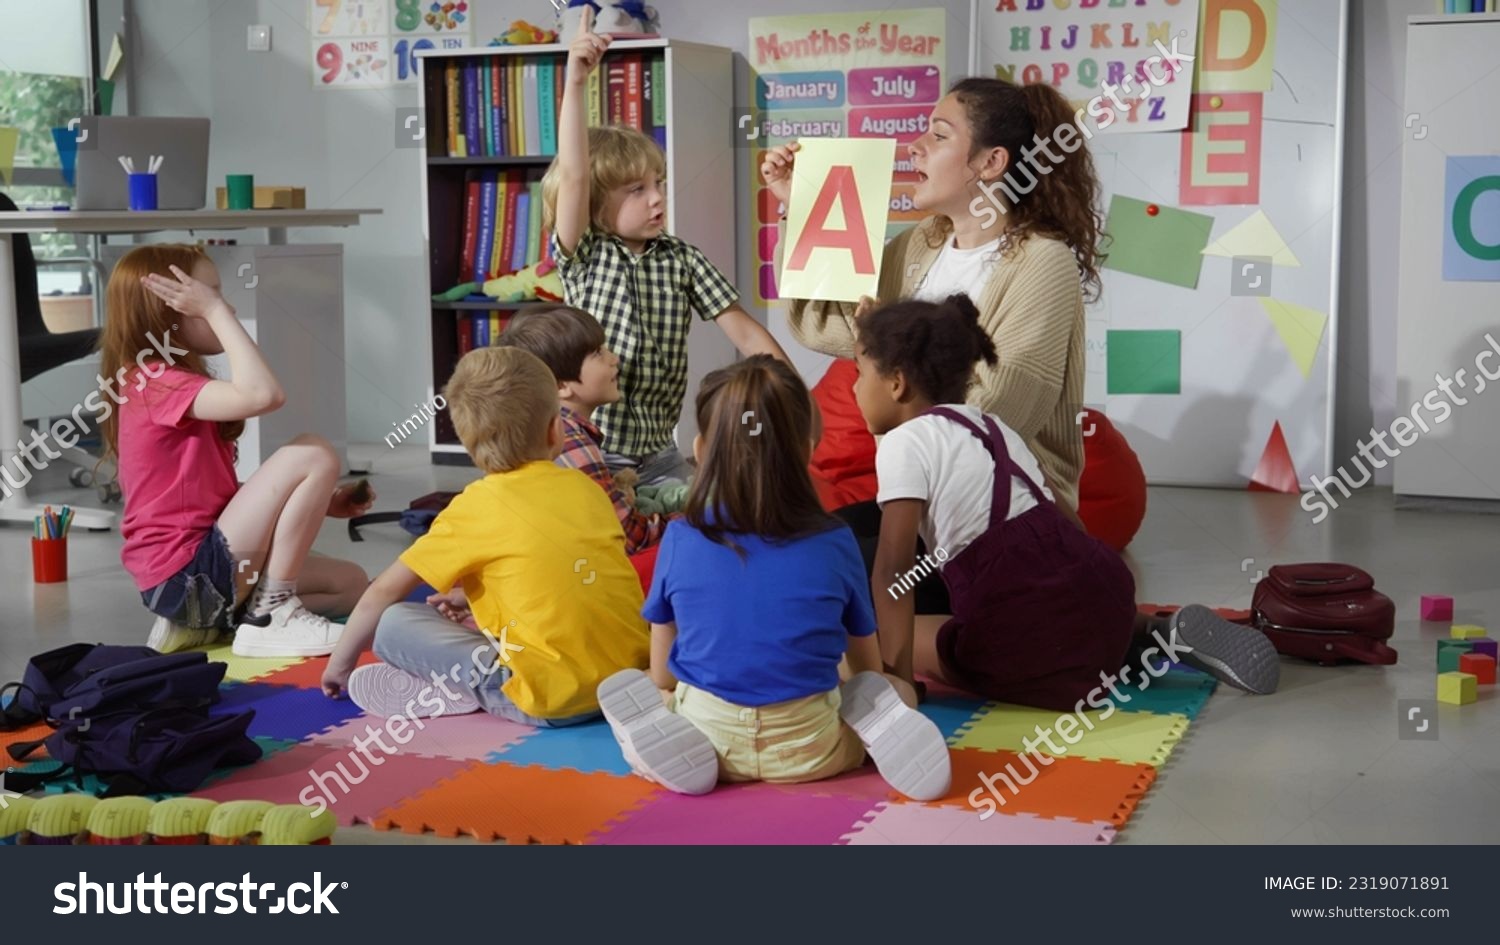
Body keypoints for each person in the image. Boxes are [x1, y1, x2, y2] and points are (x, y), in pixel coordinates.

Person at [853, 295, 1280, 702]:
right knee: (1073, 626)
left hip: (1029, 631)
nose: (855, 389)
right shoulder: (992, 427)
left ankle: (1082, 659)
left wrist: (900, 679)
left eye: (860, 373)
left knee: (895, 632)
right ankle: (1148, 632)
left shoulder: (902, 443)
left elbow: (893, 573)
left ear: (896, 383)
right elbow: (1069, 524)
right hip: (1103, 590)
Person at [597, 356, 951, 800]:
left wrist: (665, 690)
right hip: (812, 749)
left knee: (664, 693)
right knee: (893, 691)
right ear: (806, 451)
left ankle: (659, 735)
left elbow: (664, 669)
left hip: (710, 739)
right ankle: (872, 739)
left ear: (702, 449)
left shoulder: (682, 537)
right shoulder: (835, 540)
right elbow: (866, 669)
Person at [321, 346, 649, 728]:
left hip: (554, 700)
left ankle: (454, 689)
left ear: (468, 443)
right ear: (555, 429)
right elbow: (572, 573)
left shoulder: (473, 507)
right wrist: (475, 597)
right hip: (632, 676)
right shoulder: (586, 487)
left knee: (394, 622)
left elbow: (381, 593)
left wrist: (339, 666)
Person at [544, 7, 791, 485]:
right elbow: (573, 175)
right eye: (636, 189)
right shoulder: (584, 254)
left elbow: (747, 336)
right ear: (597, 204)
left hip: (660, 453)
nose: (658, 197)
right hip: (589, 448)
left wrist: (794, 399)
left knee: (672, 539)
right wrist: (575, 83)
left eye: (658, 183)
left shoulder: (683, 258)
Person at [105, 245, 370, 657]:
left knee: (352, 584)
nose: (223, 305)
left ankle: (224, 625)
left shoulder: (167, 382)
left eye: (219, 296)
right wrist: (218, 314)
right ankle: (270, 616)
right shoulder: (152, 382)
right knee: (314, 452)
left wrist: (316, 501)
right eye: (208, 296)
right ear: (167, 313)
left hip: (204, 573)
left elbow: (208, 495)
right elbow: (265, 394)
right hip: (187, 576)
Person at [497, 306, 667, 553]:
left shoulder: (537, 428)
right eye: (598, 353)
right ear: (561, 385)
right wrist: (689, 520)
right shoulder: (571, 440)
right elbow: (628, 537)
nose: (614, 358)